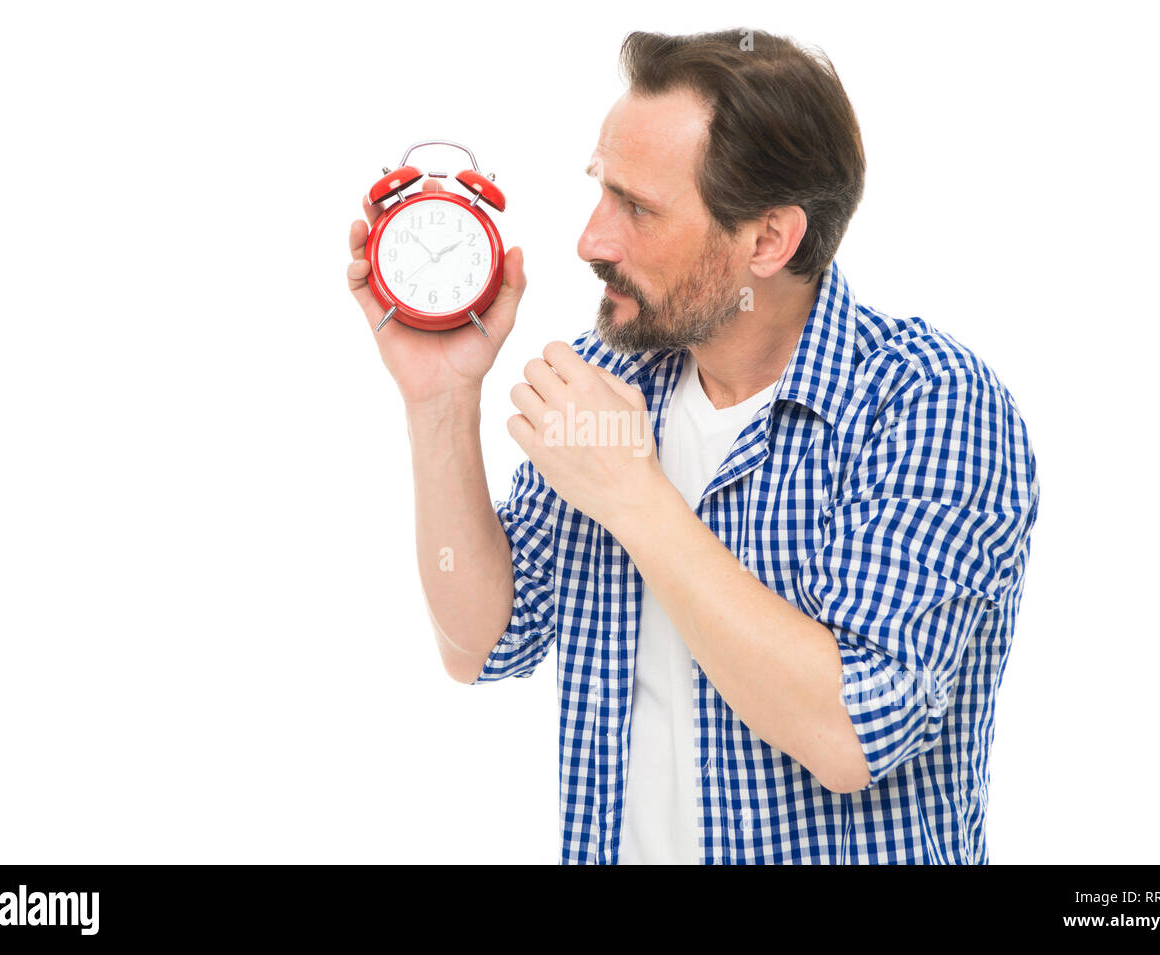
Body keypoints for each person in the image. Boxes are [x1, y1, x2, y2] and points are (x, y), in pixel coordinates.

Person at [345, 28, 1040, 865]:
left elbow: (852, 731)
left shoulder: (930, 402)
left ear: (769, 240)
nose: (591, 240)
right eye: (602, 190)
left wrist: (635, 497)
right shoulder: (613, 372)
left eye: (638, 208)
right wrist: (441, 400)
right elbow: (482, 643)